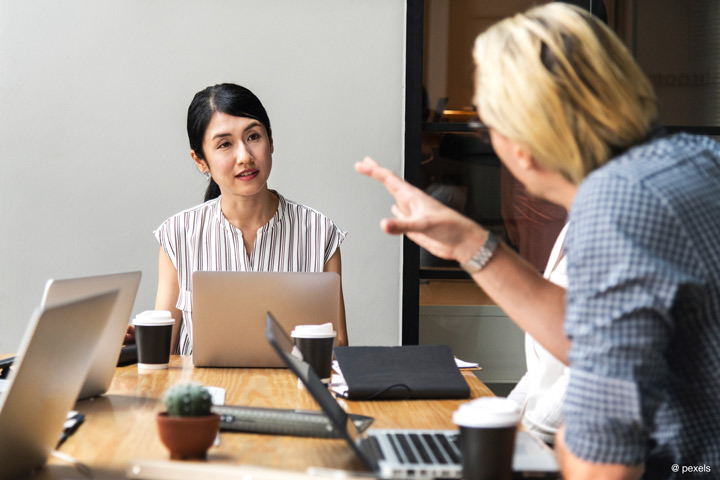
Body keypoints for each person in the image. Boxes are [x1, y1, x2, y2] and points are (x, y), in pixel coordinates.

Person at [355, 3, 720, 479]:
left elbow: (602, 462)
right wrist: (469, 243)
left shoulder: (616, 206)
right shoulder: (696, 158)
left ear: (523, 145)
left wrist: (558, 443)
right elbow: (593, 336)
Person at [131, 83, 348, 354]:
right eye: (224, 144)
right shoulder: (178, 234)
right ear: (200, 161)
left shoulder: (319, 232)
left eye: (253, 137)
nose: (244, 156)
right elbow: (163, 349)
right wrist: (134, 343)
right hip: (204, 394)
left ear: (271, 141)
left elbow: (338, 347)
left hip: (291, 393)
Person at [506, 222, 568, 446]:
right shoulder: (574, 225)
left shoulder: (614, 226)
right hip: (542, 435)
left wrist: (527, 437)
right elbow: (545, 367)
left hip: (569, 446)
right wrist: (505, 417)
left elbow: (592, 371)